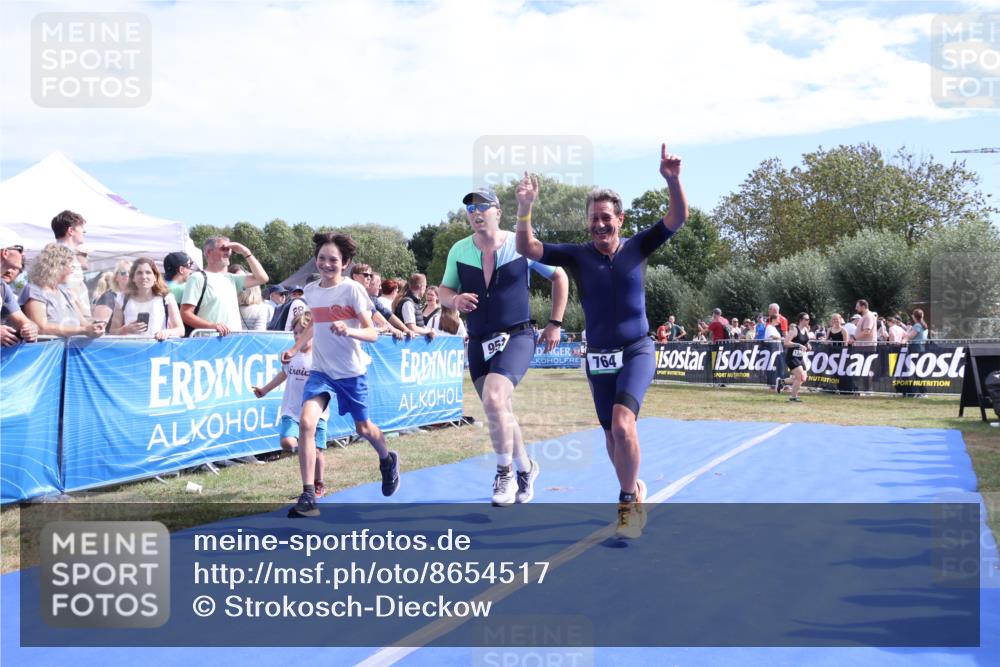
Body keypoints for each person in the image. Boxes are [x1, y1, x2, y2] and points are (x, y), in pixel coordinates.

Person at [515, 143, 687, 538]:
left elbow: (677, 218)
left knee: (624, 425)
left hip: (636, 350)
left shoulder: (638, 246)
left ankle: (627, 503)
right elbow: (527, 247)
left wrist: (673, 181)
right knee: (611, 435)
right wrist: (525, 208)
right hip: (598, 357)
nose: (599, 225)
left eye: (606, 218)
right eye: (594, 219)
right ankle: (633, 487)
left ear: (620, 220)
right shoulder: (578, 256)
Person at [439, 184, 568, 507]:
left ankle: (504, 473)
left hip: (517, 336)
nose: (476, 213)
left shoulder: (520, 244)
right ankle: (526, 468)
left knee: (495, 398)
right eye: (471, 208)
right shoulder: (459, 250)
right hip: (478, 340)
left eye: (483, 206)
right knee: (500, 410)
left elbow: (560, 276)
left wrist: (555, 323)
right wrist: (454, 299)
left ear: (498, 212)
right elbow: (443, 291)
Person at [282, 232, 399, 518]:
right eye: (322, 258)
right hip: (320, 371)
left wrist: (349, 330)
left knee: (363, 428)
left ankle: (387, 459)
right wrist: (295, 348)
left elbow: (372, 332)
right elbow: (315, 323)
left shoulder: (353, 290)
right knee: (306, 423)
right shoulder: (311, 290)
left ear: (345, 263)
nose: (326, 264)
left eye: (333, 260)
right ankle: (308, 495)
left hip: (350, 372)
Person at [253, 311, 331, 491]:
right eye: (295, 332)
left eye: (302, 332)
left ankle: (318, 483)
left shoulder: (320, 357)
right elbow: (283, 375)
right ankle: (303, 449)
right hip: (292, 411)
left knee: (317, 451)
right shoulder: (291, 355)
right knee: (287, 442)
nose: (298, 336)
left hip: (317, 413)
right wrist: (264, 390)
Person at [180, 236, 268, 336]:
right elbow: (185, 314)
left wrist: (245, 252)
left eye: (229, 249)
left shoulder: (232, 278)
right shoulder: (197, 278)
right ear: (209, 252)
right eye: (223, 249)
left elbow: (263, 278)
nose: (228, 252)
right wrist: (211, 326)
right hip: (209, 341)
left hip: (233, 341)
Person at [19, 243, 104, 338]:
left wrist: (95, 327)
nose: (72, 270)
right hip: (47, 347)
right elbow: (41, 327)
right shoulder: (34, 291)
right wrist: (83, 330)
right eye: (71, 266)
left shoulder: (66, 292)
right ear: (57, 266)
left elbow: (83, 322)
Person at [109, 257, 185, 340]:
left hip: (157, 346)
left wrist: (166, 332)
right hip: (131, 346)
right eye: (139, 273)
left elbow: (181, 330)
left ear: (155, 277)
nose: (144, 276)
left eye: (148, 272)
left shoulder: (167, 297)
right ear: (133, 278)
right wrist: (126, 329)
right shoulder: (122, 298)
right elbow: (113, 331)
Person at [50, 210, 92, 319]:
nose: (84, 231)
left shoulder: (61, 254)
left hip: (73, 318)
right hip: (70, 319)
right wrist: (84, 320)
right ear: (71, 231)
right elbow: (67, 290)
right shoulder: (62, 256)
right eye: (81, 228)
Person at [0, 232, 38, 346]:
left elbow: (23, 322)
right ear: (5, 253)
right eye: (20, 250)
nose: (24, 254)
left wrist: (31, 329)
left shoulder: (3, 287)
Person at [351, 265, 409, 338]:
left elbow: (377, 313)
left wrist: (395, 329)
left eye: (370, 275)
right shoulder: (351, 293)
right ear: (355, 277)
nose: (369, 278)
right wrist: (381, 329)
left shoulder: (366, 297)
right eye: (366, 275)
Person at [777, 313, 811, 402]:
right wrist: (799, 345)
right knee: (800, 376)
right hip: (792, 357)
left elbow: (805, 342)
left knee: (803, 378)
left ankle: (782, 382)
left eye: (808, 319)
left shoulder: (806, 330)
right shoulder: (795, 330)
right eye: (806, 319)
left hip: (800, 357)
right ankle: (793, 397)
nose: (808, 321)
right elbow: (786, 342)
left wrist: (808, 346)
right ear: (801, 320)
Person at [392, 273, 437, 339]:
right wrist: (429, 331)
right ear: (421, 287)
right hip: (406, 343)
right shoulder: (408, 303)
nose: (425, 289)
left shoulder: (413, 302)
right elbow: (412, 328)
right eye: (425, 286)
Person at [92, 259, 131, 325]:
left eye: (130, 272)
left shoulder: (134, 298)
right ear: (116, 277)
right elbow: (98, 327)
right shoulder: (108, 297)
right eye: (123, 272)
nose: (127, 275)